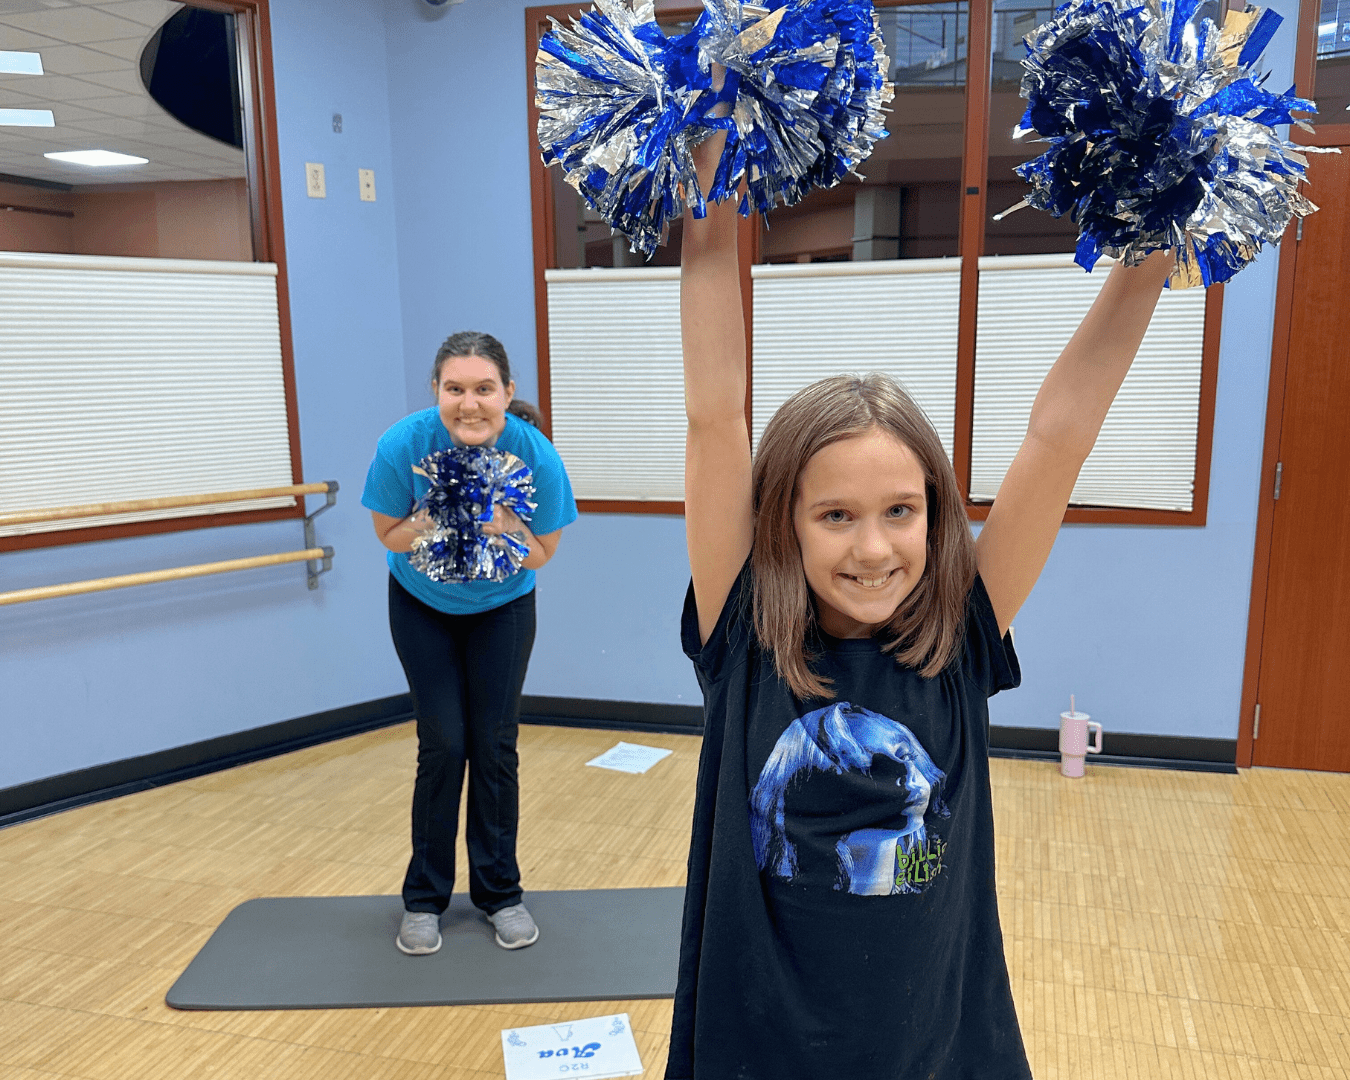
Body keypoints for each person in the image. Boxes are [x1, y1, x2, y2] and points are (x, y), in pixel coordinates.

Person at [670, 119, 1173, 1077]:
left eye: (901, 510)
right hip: (760, 1047)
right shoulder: (741, 629)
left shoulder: (958, 637)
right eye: (835, 516)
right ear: (783, 522)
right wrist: (709, 188)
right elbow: (713, 410)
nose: (873, 547)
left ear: (936, 515)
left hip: (936, 1048)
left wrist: (1155, 237)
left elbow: (1058, 440)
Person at [362, 331, 577, 956]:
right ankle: (423, 900)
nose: (469, 402)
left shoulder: (534, 454)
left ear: (507, 394)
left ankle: (500, 895)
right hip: (422, 607)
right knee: (443, 744)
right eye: (455, 388)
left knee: (493, 746)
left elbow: (543, 553)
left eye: (484, 388)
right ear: (436, 392)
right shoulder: (403, 446)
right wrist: (442, 509)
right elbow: (388, 536)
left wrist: (505, 522)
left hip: (502, 609)